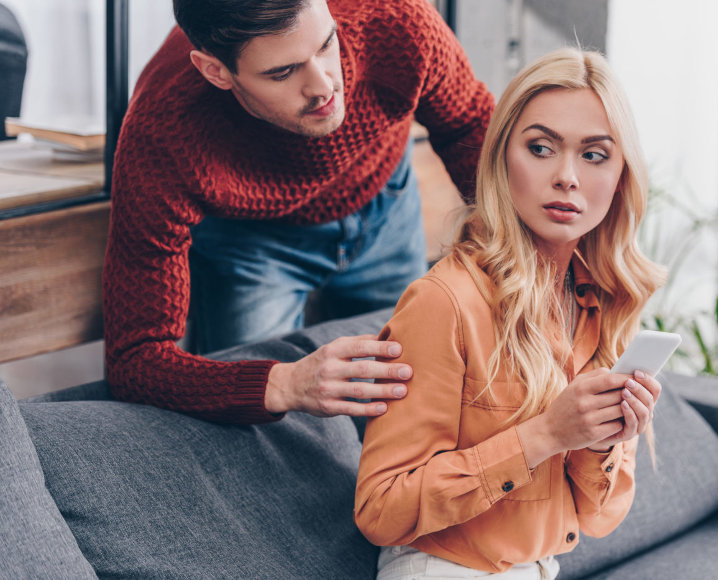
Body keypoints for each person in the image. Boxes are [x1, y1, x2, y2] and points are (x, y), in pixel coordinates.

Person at [102, 0, 493, 424]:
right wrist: (284, 385)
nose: (323, 86)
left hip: (385, 203)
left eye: (326, 44)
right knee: (268, 430)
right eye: (283, 72)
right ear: (216, 71)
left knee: (414, 396)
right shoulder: (164, 133)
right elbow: (134, 360)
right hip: (251, 241)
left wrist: (516, 254)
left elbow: (470, 126)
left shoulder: (399, 21)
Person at [354, 48, 667, 578]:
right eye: (541, 148)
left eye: (595, 155)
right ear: (502, 158)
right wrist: (545, 435)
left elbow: (598, 519)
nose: (567, 177)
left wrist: (600, 442)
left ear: (621, 177)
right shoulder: (443, 302)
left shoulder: (607, 306)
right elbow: (381, 510)